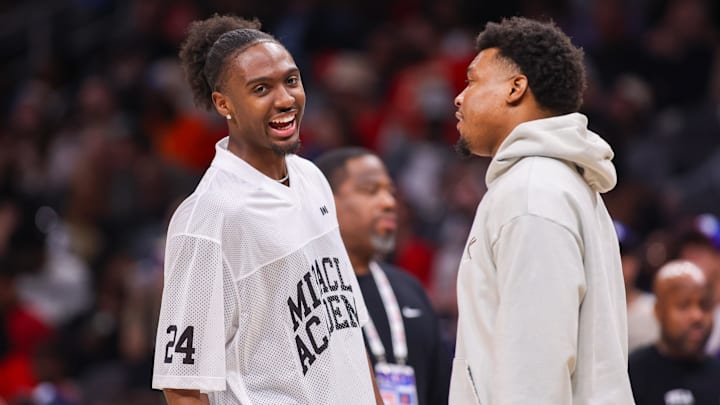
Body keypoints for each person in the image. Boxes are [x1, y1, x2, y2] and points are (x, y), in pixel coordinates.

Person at [151, 15, 380, 405]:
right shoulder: (208, 217)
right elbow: (183, 386)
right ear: (224, 103)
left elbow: (348, 332)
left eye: (291, 80)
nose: (285, 99)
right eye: (261, 89)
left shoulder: (311, 177)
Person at [449, 17, 634, 404]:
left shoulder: (532, 193)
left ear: (516, 88)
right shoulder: (556, 183)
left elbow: (536, 370)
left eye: (473, 80)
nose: (460, 97)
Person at [315, 147, 452, 405]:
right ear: (324, 202)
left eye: (390, 192)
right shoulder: (306, 292)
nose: (389, 203)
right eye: (370, 190)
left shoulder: (410, 289)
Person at [628, 260, 720, 405]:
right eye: (684, 305)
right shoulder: (632, 373)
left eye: (704, 306)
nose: (697, 316)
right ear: (659, 311)